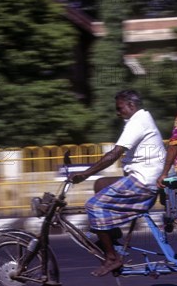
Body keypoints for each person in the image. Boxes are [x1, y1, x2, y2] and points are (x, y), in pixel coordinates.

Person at [70, 90, 165, 276]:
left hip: (144, 182)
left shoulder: (137, 122)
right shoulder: (140, 119)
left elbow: (114, 155)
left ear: (131, 106)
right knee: (101, 184)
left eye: (119, 108)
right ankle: (111, 237)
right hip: (142, 176)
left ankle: (112, 258)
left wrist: (84, 174)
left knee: (93, 206)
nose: (117, 112)